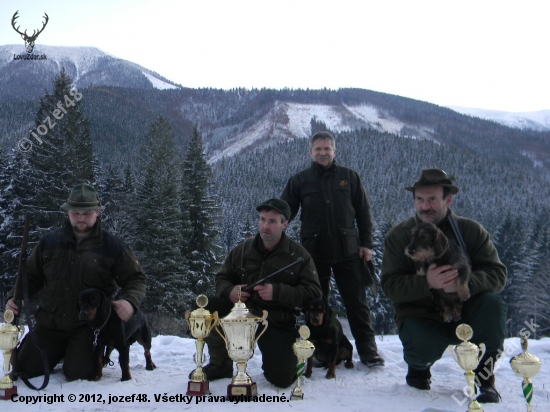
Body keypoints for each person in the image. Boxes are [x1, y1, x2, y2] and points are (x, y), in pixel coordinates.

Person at [381, 169, 507, 403]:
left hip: (466, 306)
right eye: (420, 199)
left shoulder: (470, 231)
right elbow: (390, 285)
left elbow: (498, 274)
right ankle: (419, 367)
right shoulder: (399, 236)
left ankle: (485, 377)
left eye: (432, 199)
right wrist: (427, 282)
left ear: (448, 200)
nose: (425, 205)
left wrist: (462, 284)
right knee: (421, 346)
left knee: (492, 306)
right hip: (422, 312)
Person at [5, 183, 146, 381]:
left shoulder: (113, 247)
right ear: (68, 212)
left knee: (79, 374)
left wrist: (129, 301)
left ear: (97, 212)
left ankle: (73, 354)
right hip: (49, 325)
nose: (80, 218)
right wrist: (16, 298)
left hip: (87, 329)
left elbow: (136, 278)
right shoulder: (49, 243)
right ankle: (58, 352)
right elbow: (30, 276)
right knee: (23, 368)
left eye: (87, 213)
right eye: (75, 213)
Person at [191, 198, 322, 388]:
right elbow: (221, 278)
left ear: (285, 224)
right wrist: (230, 291)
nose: (265, 226)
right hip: (241, 313)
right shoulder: (243, 250)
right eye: (262, 219)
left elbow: (314, 292)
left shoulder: (298, 255)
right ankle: (221, 364)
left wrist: (278, 292)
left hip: (276, 320)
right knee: (204, 308)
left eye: (272, 221)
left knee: (282, 379)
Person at [281, 131, 384, 367]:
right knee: (316, 302)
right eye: (318, 149)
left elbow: (364, 213)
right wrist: (273, 234)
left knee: (356, 302)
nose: (322, 153)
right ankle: (316, 350)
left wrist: (366, 244)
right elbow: (285, 213)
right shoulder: (300, 180)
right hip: (314, 253)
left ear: (334, 151)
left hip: (348, 250)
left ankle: (368, 350)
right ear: (310, 152)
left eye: (327, 148)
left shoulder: (350, 177)